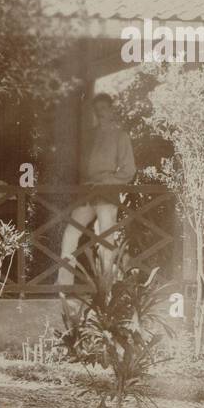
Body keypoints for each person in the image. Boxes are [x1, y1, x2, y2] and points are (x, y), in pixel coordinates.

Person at [58, 92, 136, 286]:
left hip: (107, 192)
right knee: (70, 233)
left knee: (105, 238)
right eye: (96, 109)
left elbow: (129, 170)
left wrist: (108, 181)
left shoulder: (120, 135)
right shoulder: (90, 135)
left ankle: (106, 286)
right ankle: (63, 284)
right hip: (87, 192)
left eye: (103, 109)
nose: (100, 113)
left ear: (111, 110)